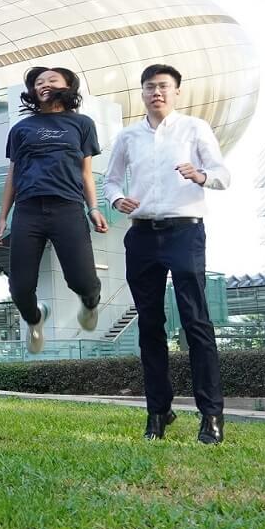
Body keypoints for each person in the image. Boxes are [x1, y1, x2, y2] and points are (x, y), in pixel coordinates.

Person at [105, 63, 230, 444]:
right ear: (141, 94)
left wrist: (201, 176)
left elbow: (223, 174)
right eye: (149, 87)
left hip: (184, 231)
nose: (156, 92)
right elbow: (110, 179)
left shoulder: (195, 128)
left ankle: (211, 416)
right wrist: (116, 199)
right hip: (141, 235)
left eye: (163, 87)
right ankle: (158, 413)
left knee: (196, 322)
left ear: (176, 91)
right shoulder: (128, 136)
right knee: (149, 326)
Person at [0, 66, 108, 354]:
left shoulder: (82, 124)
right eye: (38, 82)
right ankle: (35, 319)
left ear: (67, 86)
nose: (44, 84)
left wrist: (93, 207)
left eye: (52, 80)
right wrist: (3, 216)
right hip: (28, 211)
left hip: (67, 207)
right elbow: (12, 176)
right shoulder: (20, 129)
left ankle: (90, 303)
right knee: (19, 287)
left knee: (82, 280)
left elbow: (86, 173)